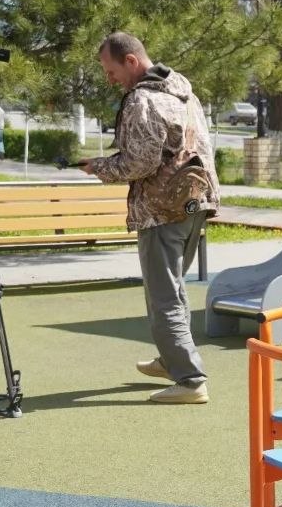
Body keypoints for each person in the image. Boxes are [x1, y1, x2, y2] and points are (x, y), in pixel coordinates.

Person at [81, 31, 219, 404]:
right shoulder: (184, 93)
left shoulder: (143, 100)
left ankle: (190, 380)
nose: (110, 80)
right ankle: (172, 361)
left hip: (161, 210)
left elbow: (139, 163)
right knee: (173, 288)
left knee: (163, 297)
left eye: (111, 71)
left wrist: (99, 167)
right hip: (195, 201)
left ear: (131, 61)